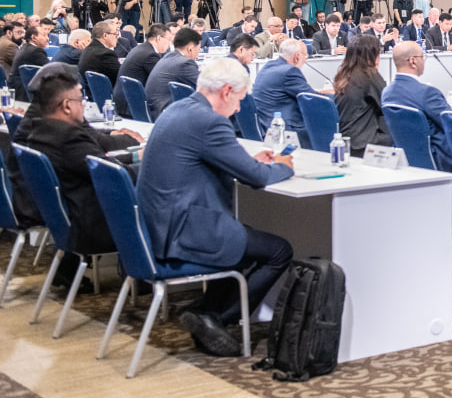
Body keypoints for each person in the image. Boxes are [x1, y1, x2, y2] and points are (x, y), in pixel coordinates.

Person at [137, 57, 294, 356]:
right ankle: (214, 317)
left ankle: (206, 311)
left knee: (244, 239)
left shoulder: (178, 109)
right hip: (184, 231)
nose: (238, 109)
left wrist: (246, 162)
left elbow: (210, 160)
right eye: (239, 100)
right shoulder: (209, 121)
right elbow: (258, 178)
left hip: (159, 225)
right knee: (278, 251)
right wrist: (284, 166)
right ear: (226, 91)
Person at [23, 69, 142, 257]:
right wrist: (148, 166)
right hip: (96, 224)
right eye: (81, 100)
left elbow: (97, 161)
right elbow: (113, 174)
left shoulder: (40, 131)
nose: (84, 105)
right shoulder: (70, 137)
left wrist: (135, 156)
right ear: (67, 105)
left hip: (72, 217)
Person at [383, 41, 452, 170]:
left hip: (407, 160)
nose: (424, 61)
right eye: (422, 57)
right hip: (439, 161)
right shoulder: (428, 93)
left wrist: (449, 110)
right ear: (412, 61)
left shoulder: (387, 93)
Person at [254, 38, 327, 148]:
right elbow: (313, 100)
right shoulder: (290, 71)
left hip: (266, 126)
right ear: (297, 56)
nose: (305, 61)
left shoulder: (269, 66)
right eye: (305, 56)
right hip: (287, 131)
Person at [333, 35, 390, 156]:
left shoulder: (344, 74)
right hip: (363, 142)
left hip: (346, 138)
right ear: (373, 55)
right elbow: (386, 105)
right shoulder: (368, 75)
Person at [113, 23, 170, 118]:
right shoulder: (150, 55)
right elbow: (162, 80)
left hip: (123, 99)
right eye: (168, 39)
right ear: (159, 38)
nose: (169, 44)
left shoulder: (141, 48)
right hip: (131, 104)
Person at [145, 27, 201, 117]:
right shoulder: (185, 63)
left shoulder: (168, 56)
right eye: (198, 50)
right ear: (190, 49)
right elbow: (205, 87)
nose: (198, 54)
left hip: (153, 110)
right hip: (164, 114)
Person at [8, 17, 53, 103]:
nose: (47, 38)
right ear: (34, 37)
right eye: (44, 35)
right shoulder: (36, 51)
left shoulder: (26, 47)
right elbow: (51, 70)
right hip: (23, 93)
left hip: (17, 89)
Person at [78, 20, 121, 86]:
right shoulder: (105, 54)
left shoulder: (88, 49)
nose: (117, 37)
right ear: (105, 35)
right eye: (115, 34)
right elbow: (121, 75)